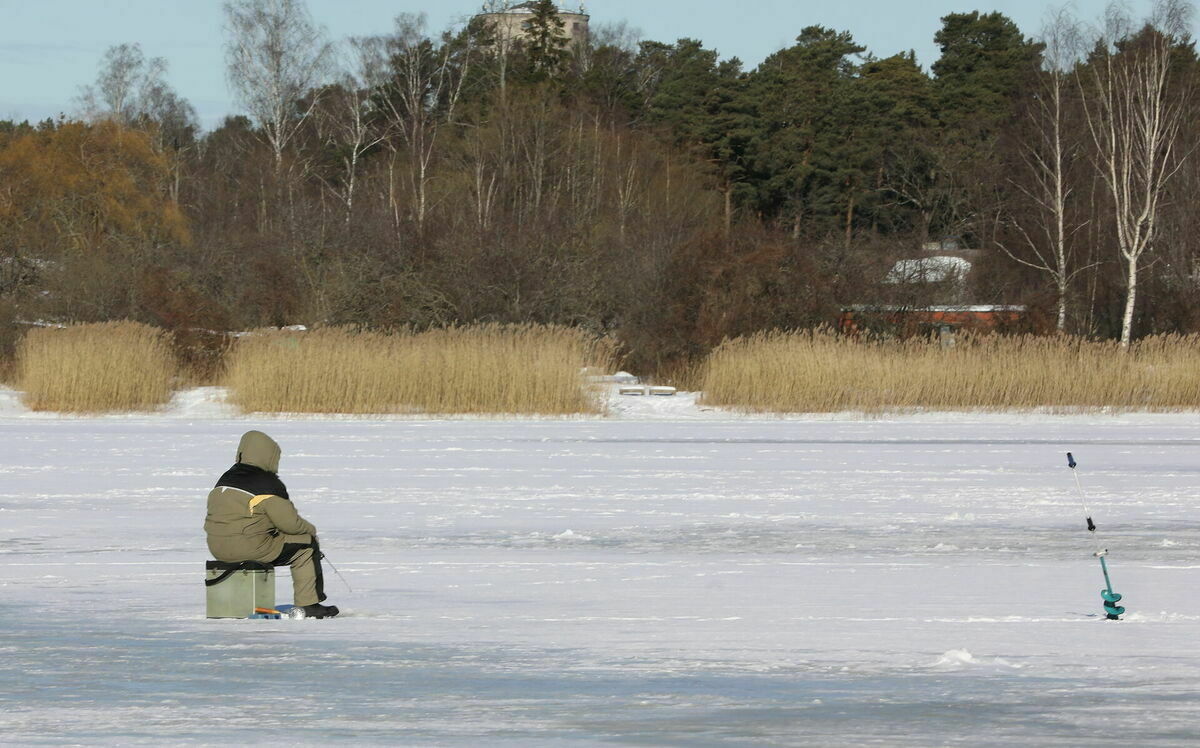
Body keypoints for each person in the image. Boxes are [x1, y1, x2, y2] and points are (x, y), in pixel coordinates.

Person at [204, 430, 339, 618]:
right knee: (306, 545)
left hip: (218, 547)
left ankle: (237, 600)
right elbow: (290, 525)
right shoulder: (267, 483)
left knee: (263, 538)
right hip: (250, 547)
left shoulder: (225, 479)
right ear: (270, 456)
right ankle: (309, 604)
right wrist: (311, 531)